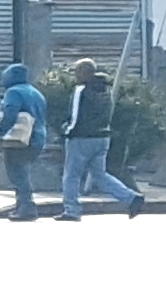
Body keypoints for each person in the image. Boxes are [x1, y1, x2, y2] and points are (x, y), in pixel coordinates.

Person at [53, 57, 146, 221]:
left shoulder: (81, 90)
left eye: (77, 71)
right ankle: (132, 198)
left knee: (71, 175)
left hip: (81, 138)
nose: (75, 74)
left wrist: (66, 131)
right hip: (102, 138)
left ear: (85, 72)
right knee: (99, 174)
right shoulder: (105, 89)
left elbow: (75, 116)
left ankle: (72, 210)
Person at [0, 62, 48, 222]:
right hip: (38, 137)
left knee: (18, 174)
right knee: (23, 171)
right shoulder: (35, 92)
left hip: (21, 138)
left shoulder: (13, 92)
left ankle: (26, 207)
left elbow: (10, 113)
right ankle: (22, 206)